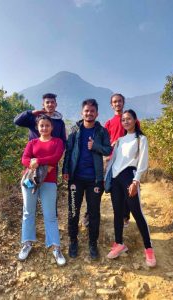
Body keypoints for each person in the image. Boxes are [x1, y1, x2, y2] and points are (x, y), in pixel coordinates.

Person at [105, 109, 156, 267]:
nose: (125, 122)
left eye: (128, 119)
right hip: (115, 179)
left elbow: (142, 162)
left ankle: (148, 248)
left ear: (135, 120)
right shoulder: (120, 140)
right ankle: (119, 243)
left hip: (129, 177)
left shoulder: (141, 139)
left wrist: (136, 181)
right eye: (123, 120)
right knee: (118, 213)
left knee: (136, 212)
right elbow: (113, 160)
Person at [62, 99, 112, 259]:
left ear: (97, 113)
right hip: (76, 178)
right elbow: (68, 152)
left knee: (94, 213)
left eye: (92, 111)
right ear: (82, 112)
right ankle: (73, 241)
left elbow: (108, 149)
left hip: (94, 179)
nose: (89, 113)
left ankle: (92, 244)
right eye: (86, 111)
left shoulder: (102, 131)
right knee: (73, 211)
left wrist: (96, 146)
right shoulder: (75, 130)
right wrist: (65, 170)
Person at [18, 115, 66, 266]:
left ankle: (55, 247)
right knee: (28, 212)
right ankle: (27, 243)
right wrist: (32, 162)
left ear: (52, 127)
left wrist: (37, 161)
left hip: (49, 182)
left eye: (47, 125)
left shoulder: (57, 142)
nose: (44, 128)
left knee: (50, 215)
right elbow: (24, 159)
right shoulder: (32, 142)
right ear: (37, 128)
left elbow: (55, 157)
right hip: (30, 181)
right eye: (41, 126)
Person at [104, 93, 140, 227]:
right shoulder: (108, 123)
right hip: (114, 160)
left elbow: (138, 138)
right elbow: (106, 141)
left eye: (119, 101)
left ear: (123, 102)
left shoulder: (131, 119)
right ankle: (119, 216)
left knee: (128, 189)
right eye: (114, 102)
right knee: (115, 189)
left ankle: (126, 217)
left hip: (129, 161)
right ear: (111, 104)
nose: (117, 104)